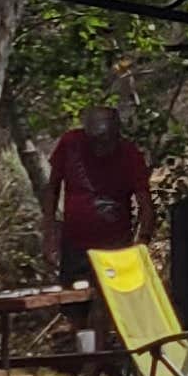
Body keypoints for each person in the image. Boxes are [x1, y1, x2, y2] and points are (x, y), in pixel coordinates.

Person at [45, 104, 159, 282]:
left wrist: (142, 242)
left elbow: (145, 204)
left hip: (115, 248)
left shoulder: (130, 156)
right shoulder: (70, 144)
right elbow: (52, 189)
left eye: (105, 142)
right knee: (74, 302)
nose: (99, 148)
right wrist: (49, 234)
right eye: (95, 142)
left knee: (114, 304)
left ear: (116, 135)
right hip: (75, 246)